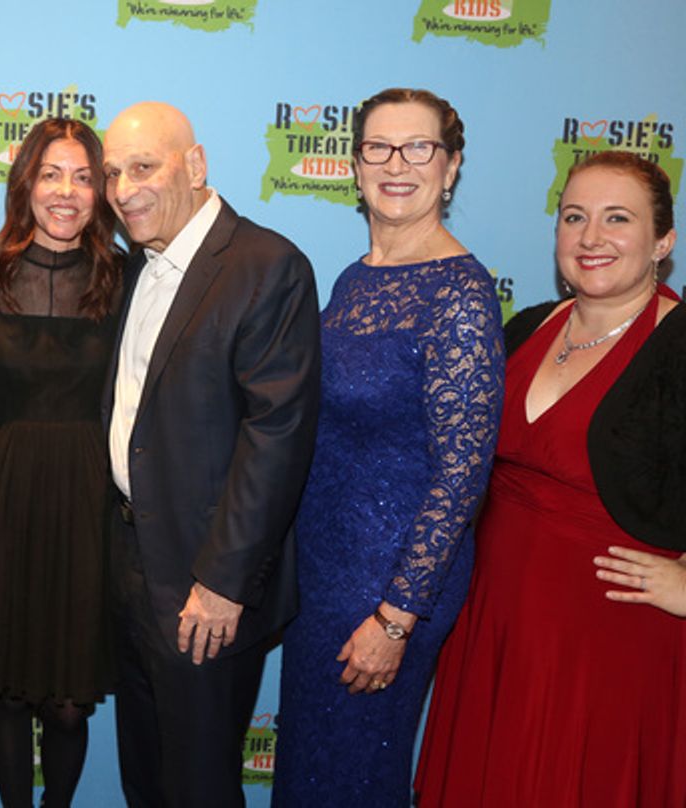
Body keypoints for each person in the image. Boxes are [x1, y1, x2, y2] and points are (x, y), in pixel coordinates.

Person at [416, 151, 686, 806]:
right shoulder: (526, 327)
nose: (591, 238)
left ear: (662, 242)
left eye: (617, 218)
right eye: (574, 217)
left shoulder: (679, 345)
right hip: (493, 628)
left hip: (610, 648)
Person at [272, 87, 504, 806]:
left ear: (452, 166)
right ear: (356, 164)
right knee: (313, 773)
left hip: (388, 586)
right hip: (322, 570)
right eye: (378, 146)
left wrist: (396, 618)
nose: (396, 163)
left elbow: (462, 476)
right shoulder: (354, 277)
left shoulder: (460, 296)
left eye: (419, 147)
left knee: (352, 777)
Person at [101, 101, 321, 808]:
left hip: (205, 584)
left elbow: (277, 435)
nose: (123, 189)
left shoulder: (266, 265)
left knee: (198, 785)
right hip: (133, 566)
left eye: (143, 167)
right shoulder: (142, 264)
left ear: (194, 166)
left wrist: (224, 582)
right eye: (112, 174)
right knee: (147, 776)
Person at [0, 118, 122, 808]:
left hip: (86, 497)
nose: (66, 191)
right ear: (26, 181)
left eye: (83, 176)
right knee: (10, 691)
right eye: (52, 174)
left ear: (99, 191)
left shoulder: (125, 279)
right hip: (0, 493)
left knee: (71, 702)